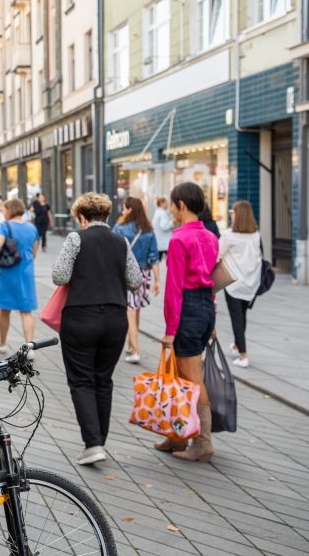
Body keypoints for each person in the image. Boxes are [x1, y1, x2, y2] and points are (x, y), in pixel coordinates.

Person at [52, 193, 143, 465]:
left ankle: (92, 444)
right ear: (107, 215)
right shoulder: (121, 241)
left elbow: (59, 275)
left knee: (81, 380)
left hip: (81, 317)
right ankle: (99, 441)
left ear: (82, 216)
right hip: (115, 319)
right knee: (104, 380)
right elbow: (136, 280)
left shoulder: (75, 239)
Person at [160, 182, 218, 462]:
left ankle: (202, 441)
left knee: (192, 378)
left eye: (173, 204)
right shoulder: (210, 237)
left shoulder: (179, 239)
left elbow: (174, 289)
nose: (172, 210)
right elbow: (213, 279)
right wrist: (213, 318)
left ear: (181, 204)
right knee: (185, 376)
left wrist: (171, 329)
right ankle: (177, 434)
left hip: (189, 309)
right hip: (206, 307)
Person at [112, 196, 160, 363]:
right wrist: (158, 280)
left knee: (130, 312)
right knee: (136, 309)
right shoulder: (148, 230)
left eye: (124, 208)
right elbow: (154, 257)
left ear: (130, 209)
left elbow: (113, 251)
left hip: (127, 273)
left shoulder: (120, 228)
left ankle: (136, 351)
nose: (123, 211)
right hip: (144, 274)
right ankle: (131, 345)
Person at [0, 198, 40, 355]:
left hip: (7, 272)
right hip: (25, 273)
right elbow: (34, 251)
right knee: (26, 311)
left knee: (5, 309)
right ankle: (29, 349)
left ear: (10, 210)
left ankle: (3, 343)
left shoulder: (4, 226)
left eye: (5, 210)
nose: (4, 213)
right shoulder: (32, 228)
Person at [219, 200, 262, 368]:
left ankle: (243, 355)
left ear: (237, 215)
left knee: (236, 317)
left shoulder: (229, 235)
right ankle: (237, 346)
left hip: (233, 283)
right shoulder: (256, 235)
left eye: (233, 213)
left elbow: (217, 253)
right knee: (242, 315)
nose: (231, 215)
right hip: (251, 283)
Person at [152, 196, 174, 261]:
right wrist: (172, 221)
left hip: (160, 242)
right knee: (171, 261)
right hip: (165, 243)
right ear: (162, 203)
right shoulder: (162, 213)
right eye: (166, 202)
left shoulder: (157, 212)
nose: (167, 204)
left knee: (157, 261)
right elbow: (164, 226)